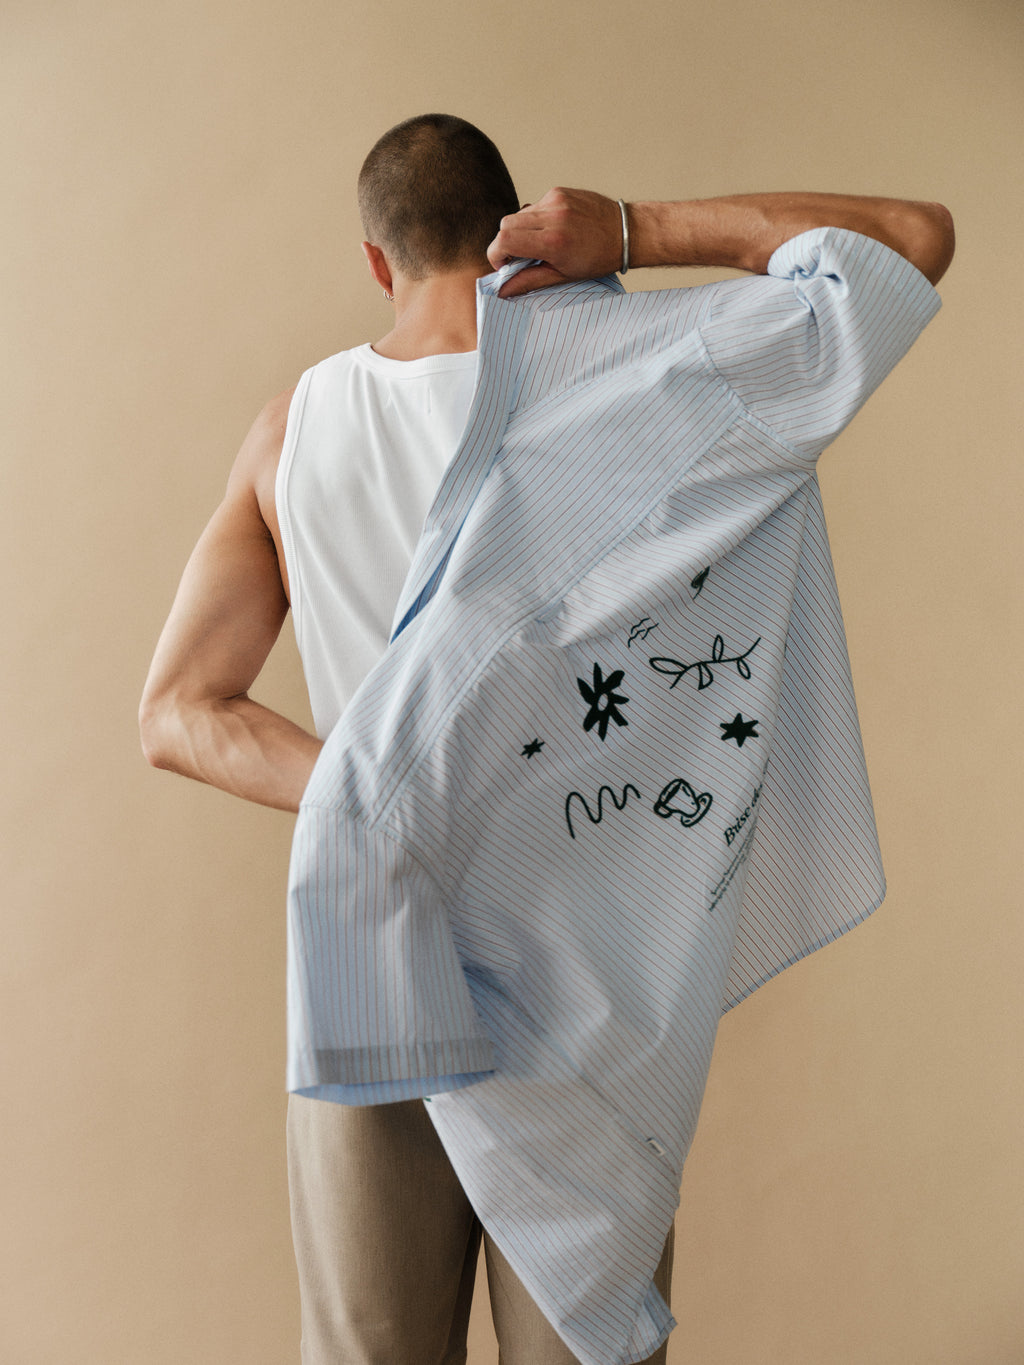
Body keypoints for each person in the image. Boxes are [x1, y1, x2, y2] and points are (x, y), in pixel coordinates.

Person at [140, 114, 954, 1365]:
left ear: (375, 261)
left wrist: (381, 801)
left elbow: (179, 713)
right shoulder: (648, 370)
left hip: (373, 926)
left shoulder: (292, 430)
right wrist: (640, 231)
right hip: (585, 951)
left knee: (369, 1351)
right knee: (588, 1349)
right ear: (519, 231)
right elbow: (906, 244)